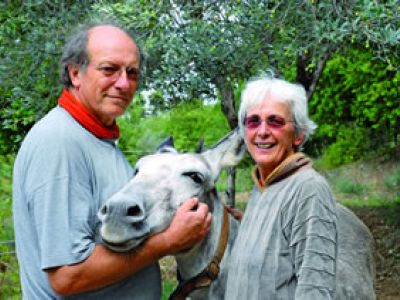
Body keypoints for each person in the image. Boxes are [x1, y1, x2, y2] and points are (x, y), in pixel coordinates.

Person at [12, 21, 211, 299]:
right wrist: (167, 242)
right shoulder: (59, 141)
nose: (123, 83)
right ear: (75, 73)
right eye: (109, 69)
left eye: (132, 73)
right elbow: (68, 277)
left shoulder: (98, 139)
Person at [225, 73, 337, 299]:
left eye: (275, 121)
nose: (262, 131)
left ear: (298, 135)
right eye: (253, 121)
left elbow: (315, 290)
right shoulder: (263, 185)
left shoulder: (308, 189)